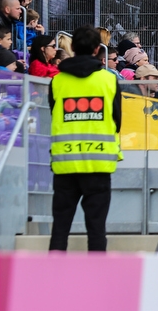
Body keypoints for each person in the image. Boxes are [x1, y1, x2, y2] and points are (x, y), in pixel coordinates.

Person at [48, 26, 121, 252]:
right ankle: (97, 280)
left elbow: (53, 112)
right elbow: (117, 118)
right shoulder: (108, 80)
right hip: (98, 161)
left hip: (66, 161)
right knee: (97, 228)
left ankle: (50, 278)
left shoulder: (57, 81)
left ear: (73, 48)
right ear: (98, 49)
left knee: (60, 228)